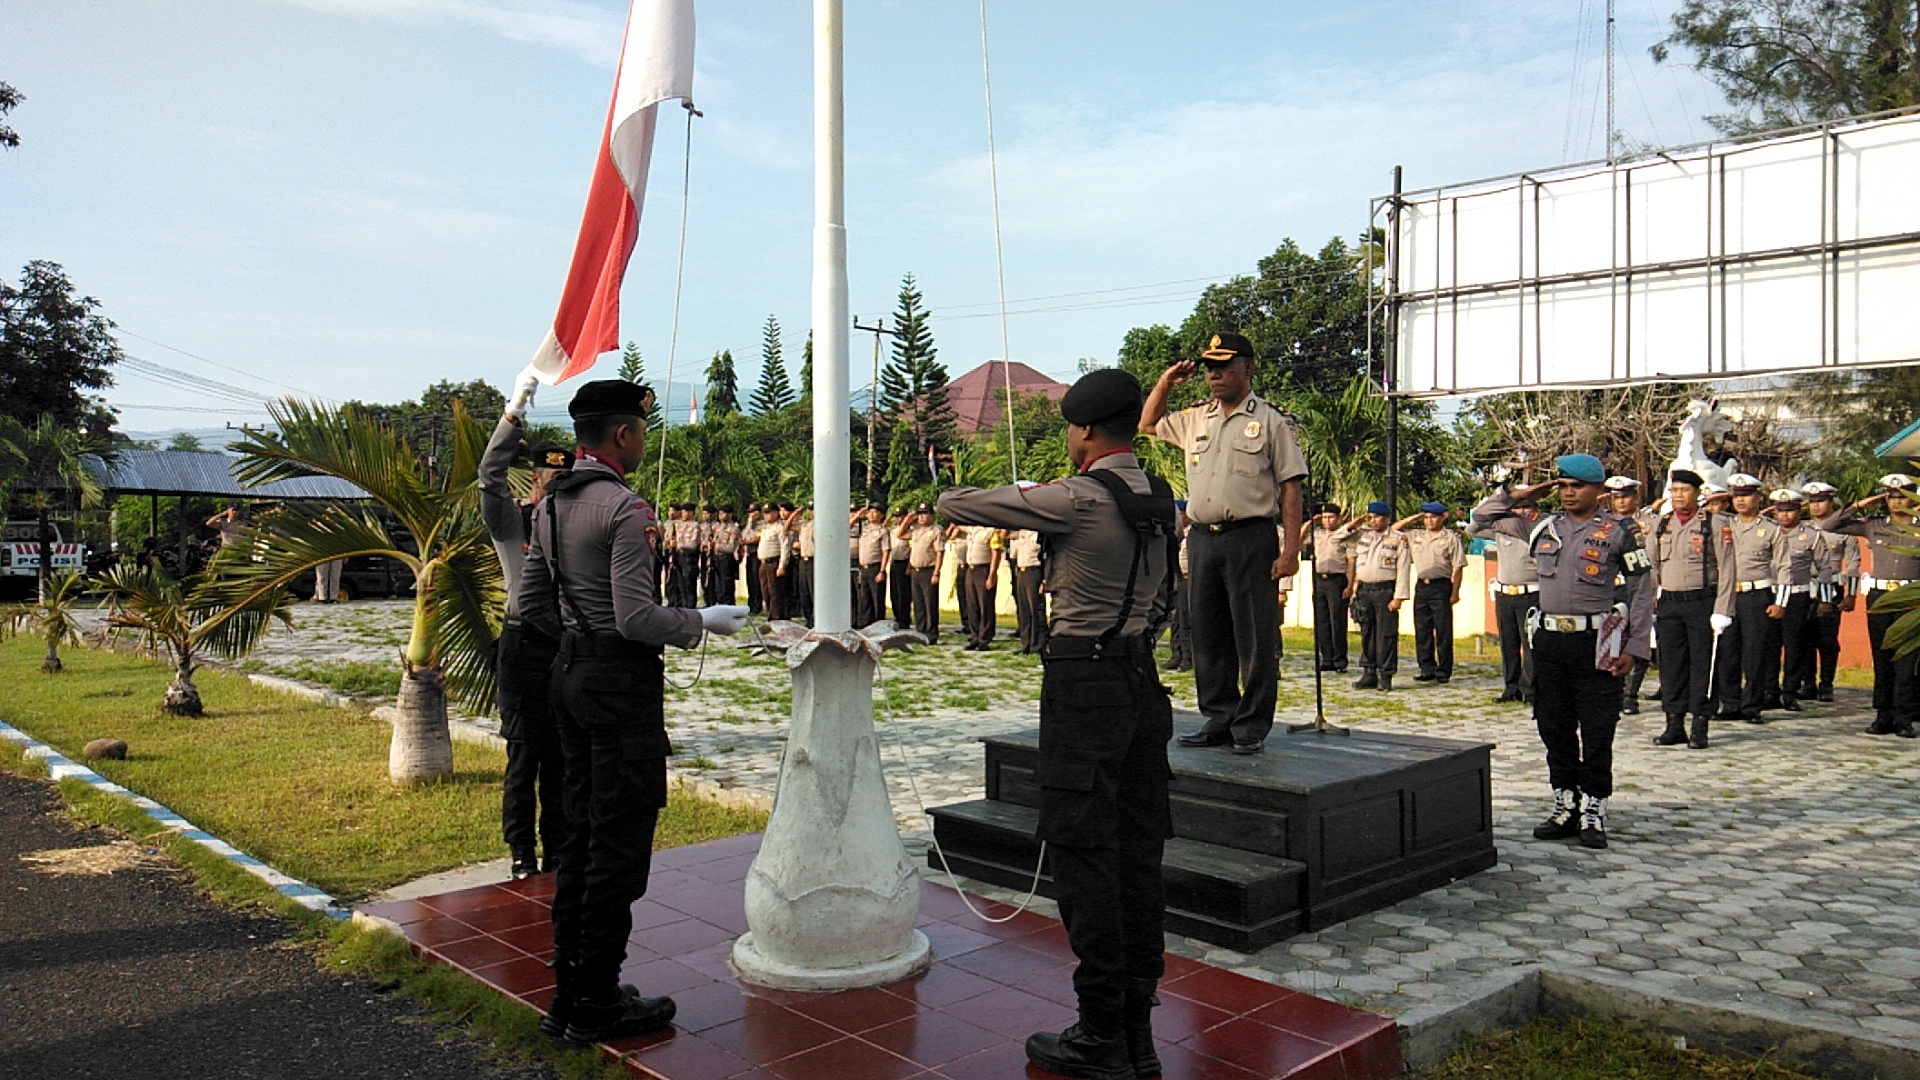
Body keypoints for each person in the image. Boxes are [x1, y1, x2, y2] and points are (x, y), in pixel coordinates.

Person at [936, 368, 1174, 1080]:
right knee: (1138, 854)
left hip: (1083, 682)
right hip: (1141, 679)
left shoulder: (1076, 498)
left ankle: (1100, 1033)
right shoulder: (1160, 496)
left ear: (1085, 431)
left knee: (1082, 851)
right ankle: (1138, 1034)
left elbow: (957, 502)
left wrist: (1021, 488)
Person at [518, 379, 748, 1043]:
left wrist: (574, 643)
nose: (644, 439)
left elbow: (531, 605)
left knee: (578, 837)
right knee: (617, 842)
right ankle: (597, 999)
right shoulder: (623, 506)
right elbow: (636, 616)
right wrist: (701, 619)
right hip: (618, 686)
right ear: (621, 435)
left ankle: (571, 988)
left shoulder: (551, 503)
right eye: (642, 429)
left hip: (569, 677)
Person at [1475, 454, 1653, 850]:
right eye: (1563, 485)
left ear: (1598, 491)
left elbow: (1642, 589)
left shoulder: (1618, 533)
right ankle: (1565, 802)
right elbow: (1480, 518)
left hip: (1597, 640)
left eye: (1578, 486)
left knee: (1596, 726)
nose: (1569, 492)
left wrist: (1636, 646)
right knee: (1553, 724)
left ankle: (1593, 807)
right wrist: (1524, 491)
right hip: (1550, 640)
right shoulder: (1542, 527)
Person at [1142, 330, 1306, 755]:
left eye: (1224, 366)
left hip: (1251, 538)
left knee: (1254, 635)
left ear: (1248, 368)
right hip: (1203, 539)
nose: (1214, 375)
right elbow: (1147, 424)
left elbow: (1290, 487)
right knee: (1208, 633)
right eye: (1210, 367)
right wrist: (1165, 383)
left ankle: (1251, 725)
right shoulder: (1197, 417)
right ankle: (1219, 716)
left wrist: (1290, 550)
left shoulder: (1271, 421)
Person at [479, 370, 569, 879]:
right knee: (523, 759)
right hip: (521, 651)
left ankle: (556, 849)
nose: (553, 489)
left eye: (562, 481)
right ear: (534, 481)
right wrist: (513, 415)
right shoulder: (513, 522)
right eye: (546, 481)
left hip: (563, 651)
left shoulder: (578, 528)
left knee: (559, 759)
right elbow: (488, 478)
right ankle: (520, 853)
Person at [1643, 469, 1733, 750]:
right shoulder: (1661, 524)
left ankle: (1700, 724)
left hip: (1701, 602)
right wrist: (1649, 604)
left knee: (1702, 665)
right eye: (1675, 490)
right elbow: (1653, 566)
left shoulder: (1714, 524)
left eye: (1685, 490)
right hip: (1670, 603)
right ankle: (1674, 723)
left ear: (1697, 494)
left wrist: (1723, 609)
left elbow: (1728, 568)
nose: (1679, 496)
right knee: (1670, 665)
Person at [1826, 474, 1920, 737]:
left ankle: (1904, 717)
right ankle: (1883, 715)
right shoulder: (1874, 525)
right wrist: (1862, 504)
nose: (1897, 501)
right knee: (1882, 656)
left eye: (1903, 496)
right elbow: (1831, 524)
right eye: (1891, 496)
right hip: (1880, 597)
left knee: (1907, 659)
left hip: (1910, 598)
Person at [1718, 473, 1788, 725]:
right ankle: (1730, 703)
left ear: (1758, 497)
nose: (1741, 500)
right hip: (1727, 595)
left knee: (1754, 652)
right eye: (1736, 496)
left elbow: (1783, 567)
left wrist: (1780, 601)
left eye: (1746, 495)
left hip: (1757, 595)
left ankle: (1752, 705)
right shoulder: (1723, 525)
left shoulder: (1770, 529)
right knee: (1728, 651)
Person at [1466, 492, 1539, 704]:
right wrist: (1499, 505)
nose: (1523, 511)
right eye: (1518, 507)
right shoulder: (1501, 529)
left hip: (1531, 592)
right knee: (1508, 643)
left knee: (1530, 644)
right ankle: (1511, 686)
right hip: (1505, 593)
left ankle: (1531, 689)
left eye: (1528, 507)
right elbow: (1472, 528)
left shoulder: (1539, 530)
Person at [1768, 489, 1832, 712]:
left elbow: (1825, 567)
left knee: (1795, 645)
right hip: (1770, 594)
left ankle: (1790, 692)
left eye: (1790, 510)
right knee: (1770, 645)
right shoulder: (1768, 532)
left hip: (1797, 596)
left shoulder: (1811, 536)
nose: (1784, 515)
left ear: (1799, 510)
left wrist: (1825, 599)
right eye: (1780, 510)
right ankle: (1770, 691)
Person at [1343, 502, 1410, 691]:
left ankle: (1386, 674)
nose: (1373, 521)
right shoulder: (1364, 537)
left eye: (1377, 517)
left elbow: (1403, 568)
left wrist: (1398, 597)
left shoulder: (1398, 539)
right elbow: (1339, 537)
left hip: (1385, 591)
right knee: (1366, 633)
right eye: (1370, 517)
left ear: (1387, 518)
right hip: (1364, 590)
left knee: (1386, 634)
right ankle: (1368, 672)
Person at [1605, 476, 1658, 712]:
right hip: (1612, 590)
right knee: (1613, 639)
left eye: (1626, 496)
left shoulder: (1651, 523)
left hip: (1640, 586)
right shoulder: (1603, 522)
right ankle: (1615, 689)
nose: (1621, 502)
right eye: (1616, 497)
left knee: (1638, 636)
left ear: (1635, 497)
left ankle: (1631, 694)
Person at [1802, 481, 1859, 702]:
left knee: (1827, 639)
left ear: (1831, 501)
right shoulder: (1802, 527)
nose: (1816, 506)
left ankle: (1826, 684)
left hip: (1833, 586)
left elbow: (1853, 563)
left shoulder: (1844, 529)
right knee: (1804, 636)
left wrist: (1851, 595)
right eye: (1812, 501)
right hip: (1806, 586)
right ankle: (1807, 682)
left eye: (1821, 501)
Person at [1397, 502, 1465, 684]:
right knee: (1422, 629)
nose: (1429, 521)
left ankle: (1444, 670)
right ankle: (1426, 668)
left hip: (1441, 587)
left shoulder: (1450, 538)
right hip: (1422, 586)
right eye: (1426, 517)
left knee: (1443, 630)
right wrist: (1414, 518)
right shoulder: (1416, 535)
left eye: (1433, 517)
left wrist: (1455, 592)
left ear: (1442, 517)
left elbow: (1458, 567)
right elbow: (1394, 530)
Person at [1302, 503, 1354, 673]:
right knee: (1321, 621)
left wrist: (1350, 585)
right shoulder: (1317, 535)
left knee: (1337, 621)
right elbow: (1299, 539)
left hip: (1337, 580)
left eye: (1330, 517)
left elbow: (1351, 562)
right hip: (1319, 579)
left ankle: (1340, 660)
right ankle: (1326, 658)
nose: (1327, 521)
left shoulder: (1345, 535)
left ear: (1338, 518)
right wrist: (1310, 523)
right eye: (1324, 517)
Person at [901, 503, 944, 643]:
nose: (921, 517)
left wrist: (936, 573)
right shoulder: (916, 531)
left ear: (932, 515)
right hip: (916, 570)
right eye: (919, 514)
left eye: (924, 514)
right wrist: (908, 519)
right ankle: (920, 631)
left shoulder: (936, 531)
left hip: (928, 570)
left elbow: (939, 553)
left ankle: (931, 633)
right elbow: (899, 534)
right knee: (918, 603)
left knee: (929, 603)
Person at [961, 524, 1004, 650]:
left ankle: (984, 638)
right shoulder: (971, 530)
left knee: (985, 605)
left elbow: (996, 553)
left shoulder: (991, 532)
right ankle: (975, 636)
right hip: (971, 569)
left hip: (983, 569)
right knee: (972, 605)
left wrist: (992, 574)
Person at [1007, 527, 1047, 655]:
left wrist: (1044, 580)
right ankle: (1026, 644)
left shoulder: (1040, 534)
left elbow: (1046, 558)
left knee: (1035, 610)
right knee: (1024, 610)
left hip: (1034, 571)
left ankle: (1037, 644)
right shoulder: (1021, 531)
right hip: (1021, 571)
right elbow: (1004, 534)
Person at [854, 505, 890, 627]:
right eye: (870, 512)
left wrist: (882, 571)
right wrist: (857, 516)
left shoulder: (883, 531)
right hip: (863, 567)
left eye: (875, 512)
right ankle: (864, 624)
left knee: (877, 599)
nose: (872, 514)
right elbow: (846, 528)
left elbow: (885, 551)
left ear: (881, 515)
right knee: (864, 598)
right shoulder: (863, 528)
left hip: (876, 567)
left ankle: (878, 624)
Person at [1167, 506, 1193, 672]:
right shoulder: (1178, 535)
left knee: (1187, 620)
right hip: (1179, 578)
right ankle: (1178, 654)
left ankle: (1188, 657)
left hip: (1189, 579)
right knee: (1177, 620)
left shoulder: (1193, 533)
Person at [706, 505, 742, 607]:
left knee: (727, 585)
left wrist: (716, 546)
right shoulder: (718, 528)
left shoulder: (734, 529)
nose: (721, 516)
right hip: (717, 558)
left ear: (730, 514)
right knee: (718, 586)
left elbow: (731, 547)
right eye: (720, 513)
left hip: (727, 559)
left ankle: (728, 605)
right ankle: (720, 604)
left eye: (724, 513)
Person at [889, 509, 915, 628]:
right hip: (894, 562)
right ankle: (897, 617)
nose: (898, 519)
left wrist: (908, 520)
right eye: (896, 517)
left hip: (905, 563)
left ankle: (904, 620)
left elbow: (913, 550)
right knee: (894, 593)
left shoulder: (913, 531)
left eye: (901, 517)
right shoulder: (892, 530)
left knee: (904, 593)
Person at [792, 505, 816, 626]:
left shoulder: (820, 524)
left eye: (813, 509)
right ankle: (808, 620)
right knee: (804, 591)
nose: (812, 512)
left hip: (814, 560)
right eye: (810, 509)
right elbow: (787, 527)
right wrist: (796, 513)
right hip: (803, 560)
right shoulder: (804, 524)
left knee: (813, 591)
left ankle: (815, 619)